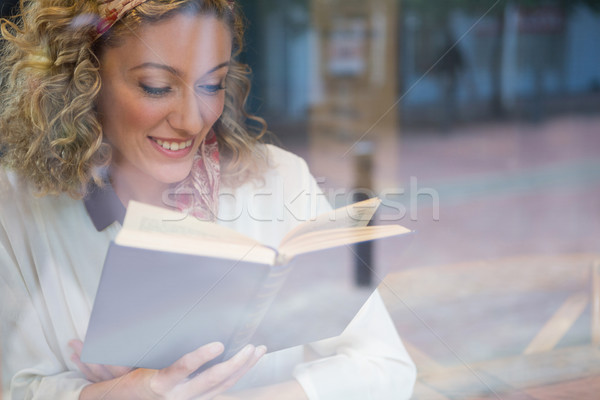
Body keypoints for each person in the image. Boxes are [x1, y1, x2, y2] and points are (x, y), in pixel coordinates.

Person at [0, 1, 416, 399]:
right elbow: (19, 386)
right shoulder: (19, 202)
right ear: (84, 80)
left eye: (211, 84)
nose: (192, 120)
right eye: (156, 87)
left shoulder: (280, 178)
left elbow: (387, 368)